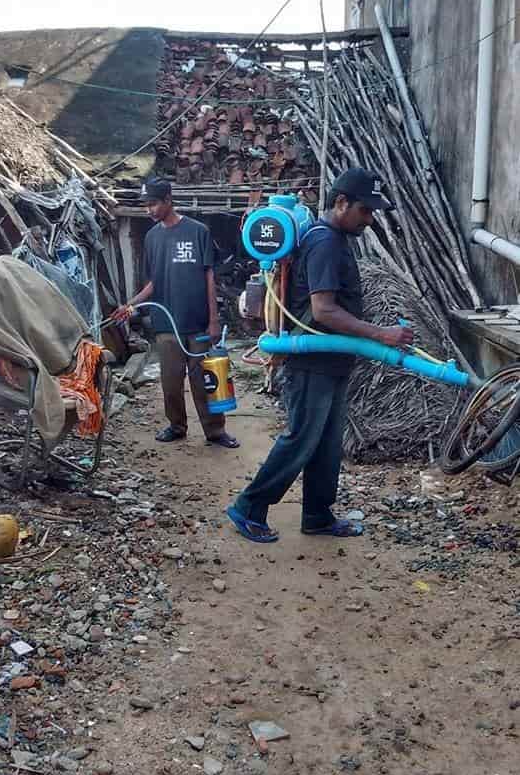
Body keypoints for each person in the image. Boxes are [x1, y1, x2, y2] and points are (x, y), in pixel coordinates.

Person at [227, 168, 414, 542]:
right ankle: (249, 507)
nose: (369, 219)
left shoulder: (334, 238)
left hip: (331, 360)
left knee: (327, 444)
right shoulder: (324, 242)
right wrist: (381, 334)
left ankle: (317, 515)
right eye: (365, 210)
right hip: (312, 362)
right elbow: (324, 310)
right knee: (301, 439)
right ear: (341, 202)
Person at [115, 177, 238, 448]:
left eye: (154, 204)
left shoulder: (197, 231)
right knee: (170, 382)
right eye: (146, 205)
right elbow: (153, 283)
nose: (149, 210)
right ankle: (177, 426)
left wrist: (213, 320)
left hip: (198, 322)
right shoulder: (152, 237)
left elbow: (209, 276)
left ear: (169, 200)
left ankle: (215, 431)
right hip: (166, 323)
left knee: (204, 381)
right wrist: (130, 305)